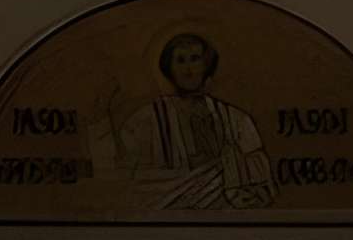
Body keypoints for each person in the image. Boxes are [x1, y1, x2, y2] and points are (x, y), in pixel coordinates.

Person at [114, 31, 275, 211]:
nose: (188, 69)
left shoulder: (236, 120)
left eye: (194, 59)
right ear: (169, 68)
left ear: (206, 64)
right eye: (181, 61)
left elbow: (259, 183)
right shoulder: (146, 120)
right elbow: (137, 183)